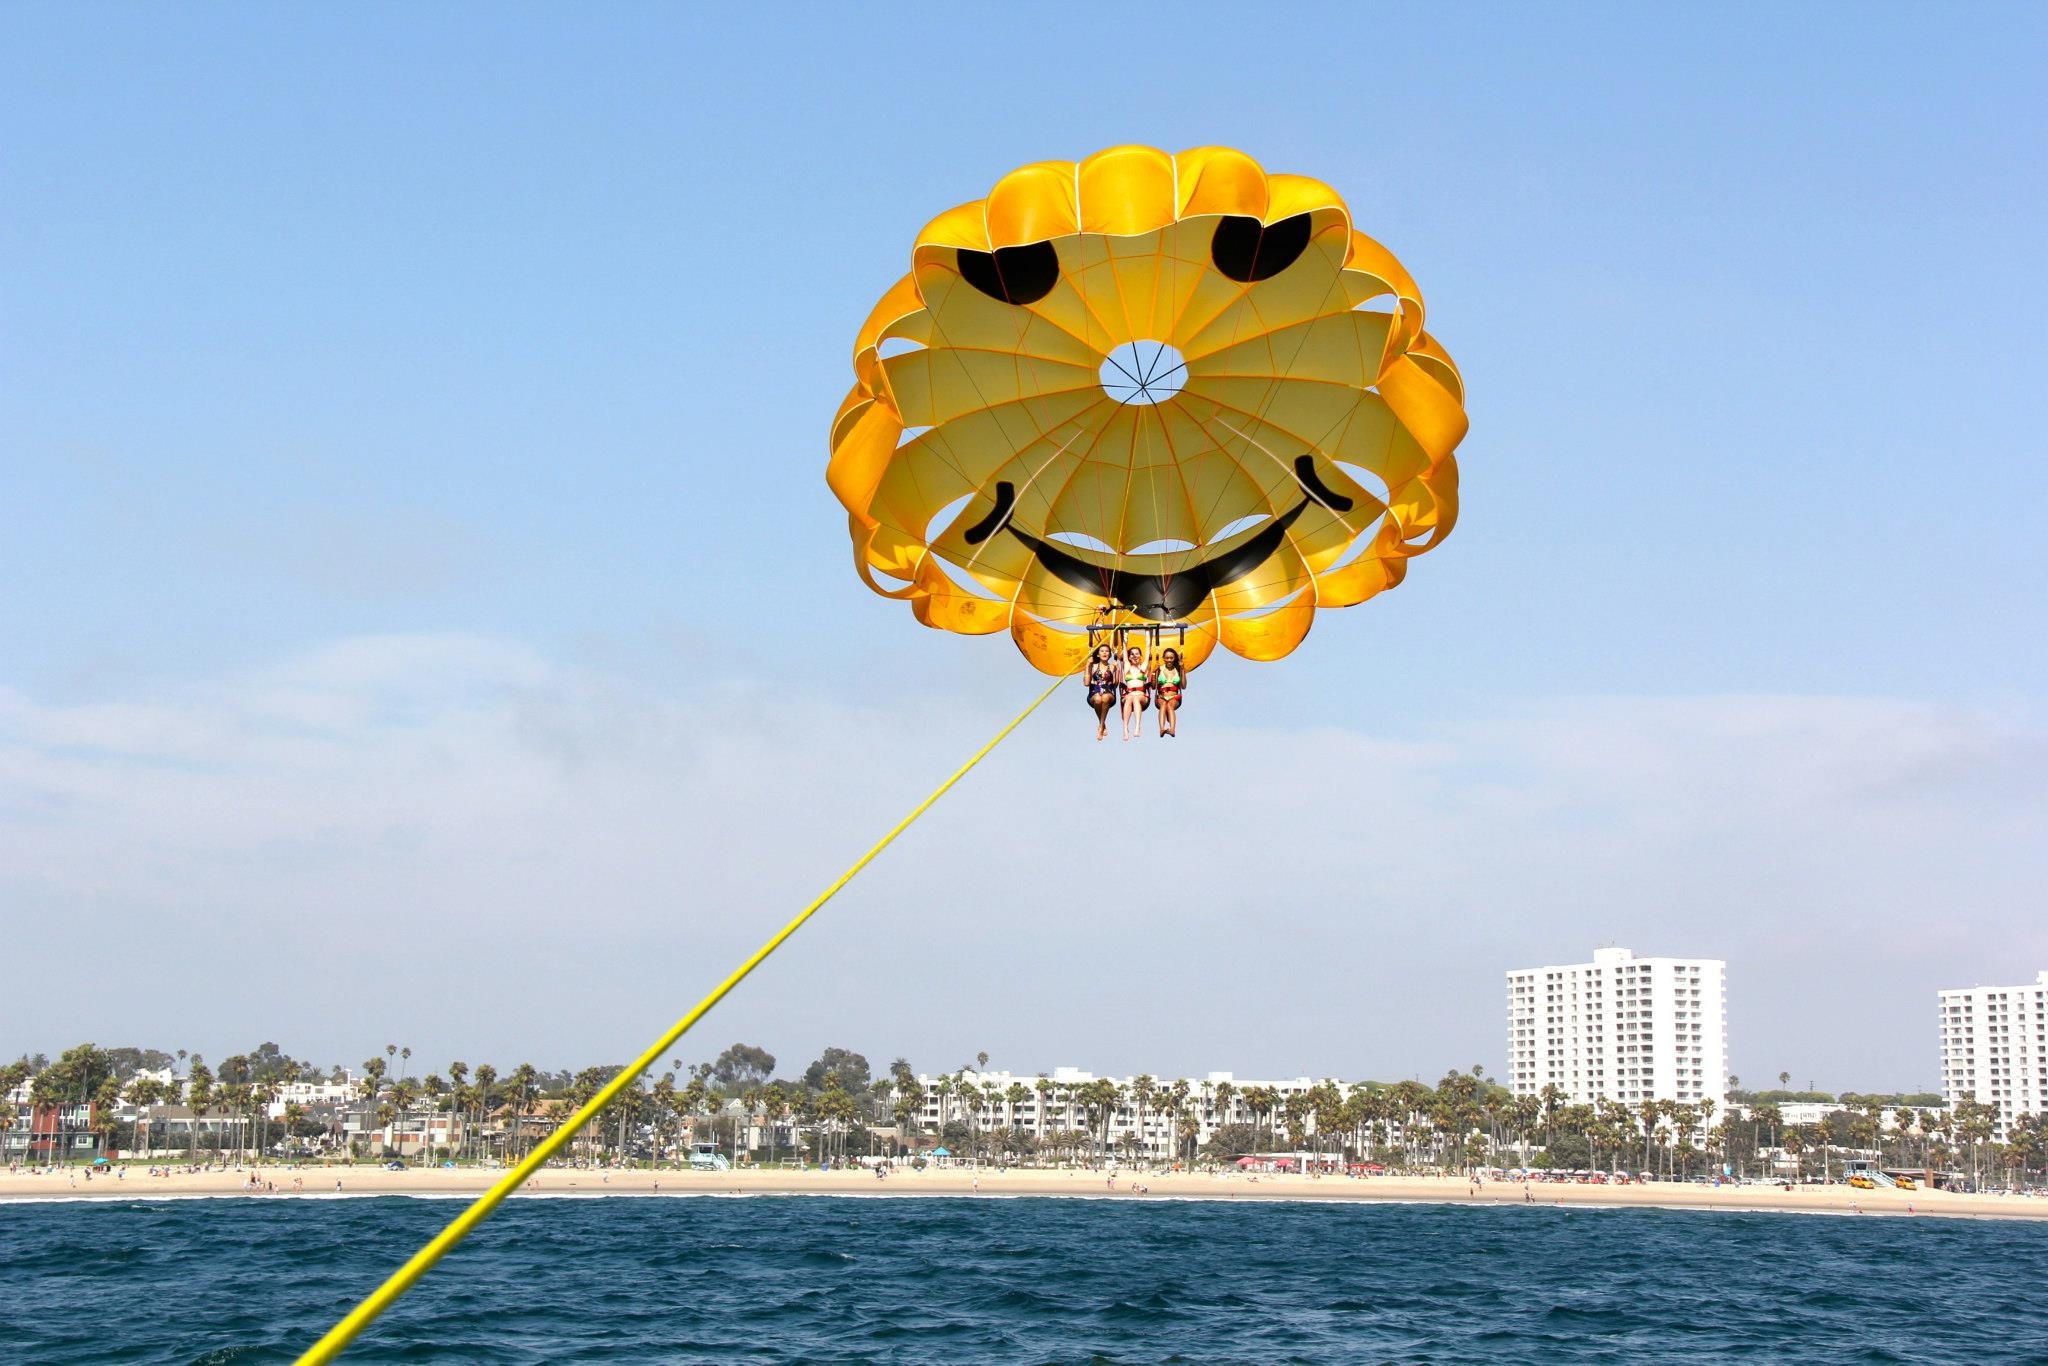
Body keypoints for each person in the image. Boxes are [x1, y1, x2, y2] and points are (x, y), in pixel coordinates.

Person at [1084, 643, 1118, 740]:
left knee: (1105, 697)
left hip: (1109, 692)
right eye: (1102, 651)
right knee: (1099, 699)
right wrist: (1087, 665)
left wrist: (1117, 670)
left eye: (1107, 651)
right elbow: (1086, 683)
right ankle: (1102, 725)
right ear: (1098, 654)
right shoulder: (1093, 666)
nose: (1104, 653)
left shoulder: (1112, 666)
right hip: (1094, 692)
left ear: (1109, 654)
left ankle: (1101, 728)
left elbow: (1115, 684)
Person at [1152, 648, 1186, 737]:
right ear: (1163, 658)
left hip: (1174, 696)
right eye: (1167, 658)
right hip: (1161, 696)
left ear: (1174, 658)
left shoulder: (1178, 669)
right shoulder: (1160, 669)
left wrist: (1182, 670)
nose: (1169, 660)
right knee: (1163, 705)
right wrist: (1153, 673)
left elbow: (1183, 686)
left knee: (1170, 705)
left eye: (1171, 658)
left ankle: (1172, 729)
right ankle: (1162, 729)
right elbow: (1153, 686)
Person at [1119, 645, 1150, 741]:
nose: (1134, 656)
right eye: (1132, 654)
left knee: (1135, 698)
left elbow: (1148, 646)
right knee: (1129, 698)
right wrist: (1125, 634)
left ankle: (1137, 726)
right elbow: (1124, 649)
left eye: (1137, 654)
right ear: (1129, 657)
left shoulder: (1143, 667)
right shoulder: (1127, 667)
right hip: (1129, 695)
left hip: (1141, 695)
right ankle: (1125, 728)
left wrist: (1148, 631)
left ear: (1140, 656)